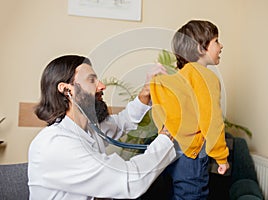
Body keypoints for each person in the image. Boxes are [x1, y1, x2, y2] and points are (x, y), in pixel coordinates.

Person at [28, 55, 176, 200]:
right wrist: (166, 135)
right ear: (67, 90)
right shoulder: (55, 143)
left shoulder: (88, 128)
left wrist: (144, 95)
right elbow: (129, 181)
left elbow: (120, 124)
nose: (102, 86)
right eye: (91, 80)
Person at [150, 20, 230, 199]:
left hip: (170, 153)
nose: (221, 45)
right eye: (216, 41)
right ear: (201, 48)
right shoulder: (206, 77)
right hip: (192, 157)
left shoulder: (179, 78)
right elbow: (212, 120)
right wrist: (221, 156)